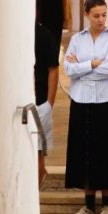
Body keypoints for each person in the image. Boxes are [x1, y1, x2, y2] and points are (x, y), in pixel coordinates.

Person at [64, 0, 108, 214]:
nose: (101, 20)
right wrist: (91, 63)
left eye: (104, 15)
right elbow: (67, 69)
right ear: (86, 15)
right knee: (85, 150)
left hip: (107, 99)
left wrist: (81, 67)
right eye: (96, 16)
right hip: (81, 99)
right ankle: (88, 203)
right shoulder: (77, 39)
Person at [34, 20, 59, 189]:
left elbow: (53, 69)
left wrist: (50, 102)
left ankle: (37, 181)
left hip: (41, 100)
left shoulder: (44, 35)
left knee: (38, 149)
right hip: (27, 100)